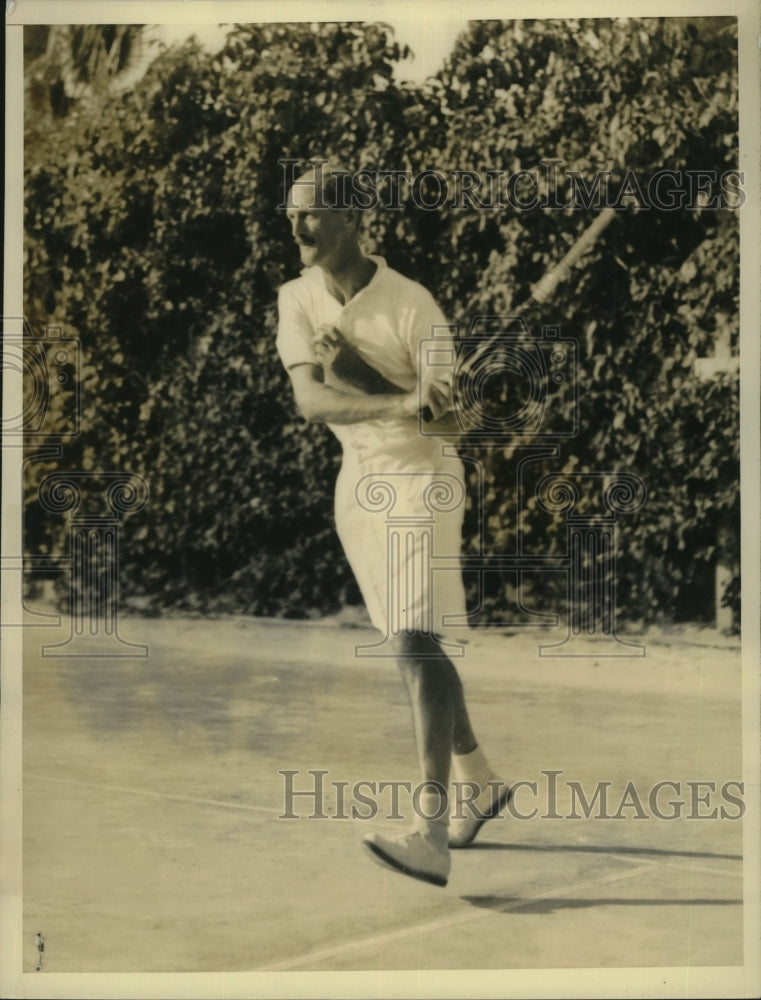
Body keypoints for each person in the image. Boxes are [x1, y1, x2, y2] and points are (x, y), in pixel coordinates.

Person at [276, 161, 511, 887]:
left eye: (311, 214)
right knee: (413, 648)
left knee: (415, 640)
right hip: (360, 483)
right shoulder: (295, 298)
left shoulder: (414, 307)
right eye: (291, 215)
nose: (297, 227)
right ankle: (480, 780)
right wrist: (382, 395)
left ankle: (429, 832)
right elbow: (311, 404)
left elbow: (456, 422)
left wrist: (396, 392)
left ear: (350, 218)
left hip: (422, 478)